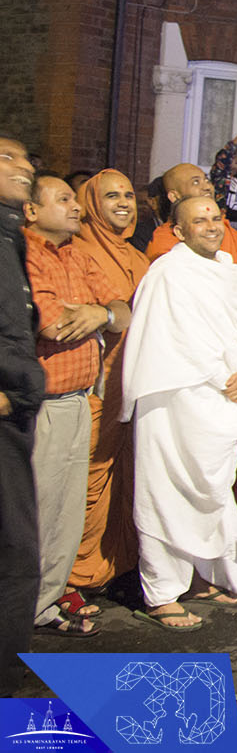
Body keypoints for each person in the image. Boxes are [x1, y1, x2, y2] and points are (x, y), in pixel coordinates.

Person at [122, 195, 237, 631]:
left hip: (220, 403)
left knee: (212, 487)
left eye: (215, 217)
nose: (210, 225)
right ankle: (161, 593)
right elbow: (171, 343)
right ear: (178, 230)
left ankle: (201, 575)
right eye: (198, 220)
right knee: (166, 492)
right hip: (174, 402)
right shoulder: (167, 275)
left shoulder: (227, 272)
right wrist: (224, 374)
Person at [147, 162, 237, 555]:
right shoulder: (166, 261)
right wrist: (221, 371)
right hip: (194, 388)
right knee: (186, 478)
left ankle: (235, 540)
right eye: (195, 183)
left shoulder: (227, 260)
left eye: (215, 216)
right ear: (177, 222)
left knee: (232, 469)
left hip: (234, 380)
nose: (207, 185)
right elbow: (172, 333)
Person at [24, 174, 132, 637]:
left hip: (81, 397)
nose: (76, 208)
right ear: (32, 211)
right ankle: (22, 607)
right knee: (39, 508)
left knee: (66, 513)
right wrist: (96, 315)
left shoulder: (75, 254)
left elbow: (121, 310)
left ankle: (46, 605)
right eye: (64, 199)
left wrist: (99, 312)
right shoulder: (25, 254)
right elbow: (52, 324)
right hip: (44, 403)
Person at [65, 170, 149, 599]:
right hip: (98, 386)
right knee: (89, 479)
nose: (123, 202)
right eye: (111, 195)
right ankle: (75, 577)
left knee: (130, 476)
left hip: (137, 384)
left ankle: (119, 565)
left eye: (129, 195)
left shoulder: (139, 256)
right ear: (91, 203)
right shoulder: (75, 251)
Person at [0, 138, 45, 692]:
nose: (26, 167)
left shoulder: (12, 237)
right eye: (6, 158)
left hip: (15, 409)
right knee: (16, 554)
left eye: (24, 158)